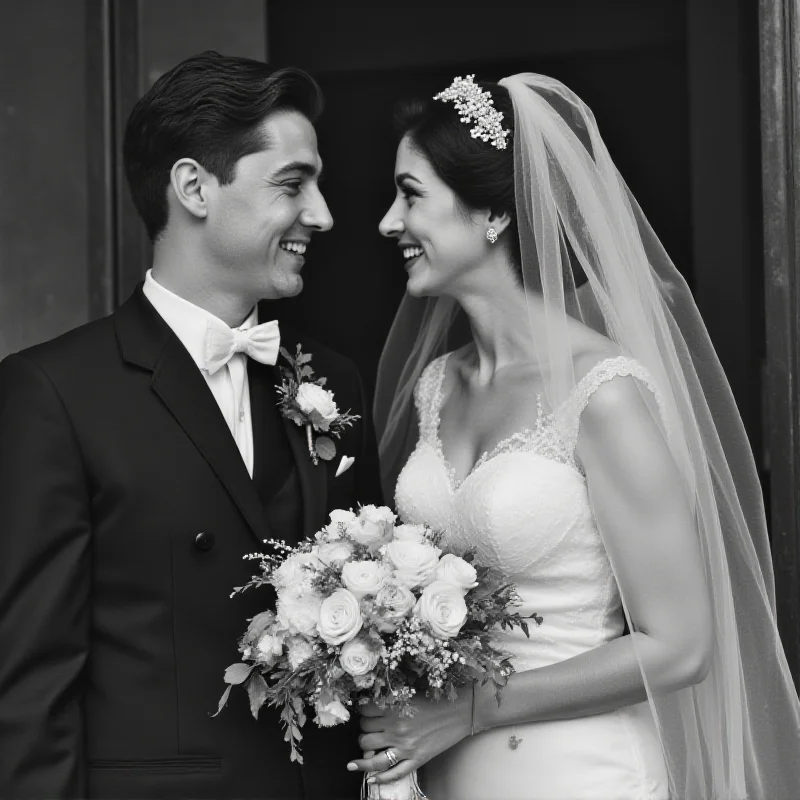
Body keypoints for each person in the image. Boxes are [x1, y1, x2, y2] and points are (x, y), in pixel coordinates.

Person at [350, 74, 800, 799]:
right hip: (444, 777)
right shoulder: (437, 385)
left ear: (492, 212)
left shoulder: (603, 393)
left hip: (580, 776)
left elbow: (682, 647)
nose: (387, 223)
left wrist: (466, 711)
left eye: (411, 194)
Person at [0, 51, 380, 799]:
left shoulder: (332, 380)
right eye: (292, 185)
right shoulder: (51, 394)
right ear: (194, 187)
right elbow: (26, 690)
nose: (323, 214)